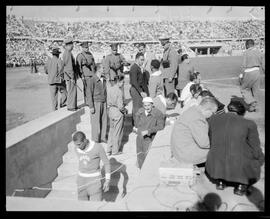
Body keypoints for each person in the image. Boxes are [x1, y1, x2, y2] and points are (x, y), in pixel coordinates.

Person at [205, 99, 264, 196]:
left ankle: (220, 182)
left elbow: (211, 140)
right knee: (253, 158)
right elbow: (255, 147)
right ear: (242, 113)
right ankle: (240, 186)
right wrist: (260, 159)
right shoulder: (249, 124)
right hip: (239, 166)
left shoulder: (213, 119)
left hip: (215, 167)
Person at [170, 97, 218, 165]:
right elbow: (204, 143)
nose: (213, 115)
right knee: (219, 151)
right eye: (213, 113)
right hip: (185, 154)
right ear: (207, 110)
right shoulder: (198, 118)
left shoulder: (193, 110)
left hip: (179, 150)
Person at [72, 131, 111, 201]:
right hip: (81, 181)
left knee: (94, 206)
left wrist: (107, 180)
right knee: (82, 206)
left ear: (84, 140)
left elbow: (107, 163)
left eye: (79, 144)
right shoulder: (76, 148)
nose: (77, 147)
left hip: (94, 181)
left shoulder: (97, 147)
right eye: (75, 145)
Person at [134, 97, 165, 169]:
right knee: (140, 156)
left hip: (149, 139)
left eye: (149, 105)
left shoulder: (158, 113)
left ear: (152, 105)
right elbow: (137, 124)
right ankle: (141, 172)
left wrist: (149, 131)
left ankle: (147, 172)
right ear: (143, 105)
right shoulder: (140, 112)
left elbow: (161, 126)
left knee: (148, 157)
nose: (147, 107)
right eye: (145, 105)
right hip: (139, 138)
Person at [239, 39, 265, 112]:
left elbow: (243, 65)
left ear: (247, 45)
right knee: (255, 90)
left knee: (243, 89)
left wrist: (241, 75)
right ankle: (254, 107)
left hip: (248, 72)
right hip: (257, 72)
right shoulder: (259, 52)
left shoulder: (246, 52)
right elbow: (263, 65)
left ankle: (251, 102)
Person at [107, 75, 127, 156]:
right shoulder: (119, 91)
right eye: (123, 82)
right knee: (117, 132)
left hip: (111, 111)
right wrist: (125, 110)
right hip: (117, 112)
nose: (123, 84)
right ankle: (115, 151)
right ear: (119, 82)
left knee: (111, 131)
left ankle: (109, 149)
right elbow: (120, 106)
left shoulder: (109, 89)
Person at [89, 64, 107, 143]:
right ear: (99, 69)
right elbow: (89, 93)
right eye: (103, 67)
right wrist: (91, 106)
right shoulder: (92, 79)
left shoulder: (104, 79)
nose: (104, 68)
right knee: (95, 123)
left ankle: (103, 137)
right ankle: (95, 139)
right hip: (96, 103)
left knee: (104, 121)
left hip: (103, 102)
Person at [129, 52, 148, 127]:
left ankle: (136, 124)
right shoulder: (134, 68)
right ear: (137, 59)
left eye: (143, 60)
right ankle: (136, 125)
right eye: (141, 60)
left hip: (137, 89)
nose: (142, 62)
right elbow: (134, 81)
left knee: (138, 107)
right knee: (137, 108)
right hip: (135, 89)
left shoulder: (137, 67)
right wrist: (140, 91)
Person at [76, 42, 96, 106]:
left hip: (92, 74)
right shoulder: (80, 56)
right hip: (85, 75)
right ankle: (87, 102)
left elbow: (93, 64)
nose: (87, 48)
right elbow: (78, 67)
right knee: (87, 89)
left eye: (88, 47)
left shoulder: (90, 54)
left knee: (92, 89)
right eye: (86, 47)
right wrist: (81, 76)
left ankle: (91, 101)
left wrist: (94, 73)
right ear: (82, 48)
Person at [62, 36, 78, 111]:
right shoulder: (68, 53)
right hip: (70, 76)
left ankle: (72, 105)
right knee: (72, 90)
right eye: (72, 44)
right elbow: (69, 67)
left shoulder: (67, 52)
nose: (73, 46)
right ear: (69, 45)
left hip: (69, 75)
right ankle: (71, 106)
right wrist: (72, 77)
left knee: (72, 90)